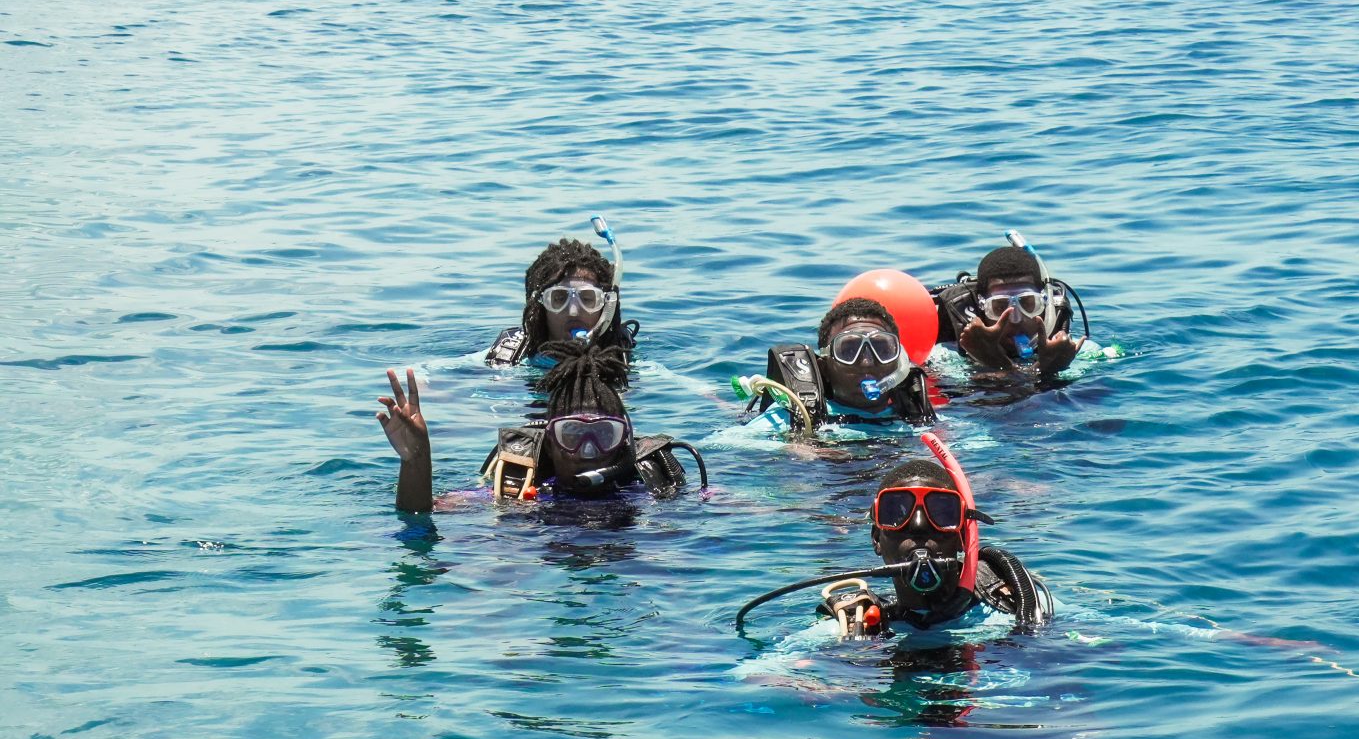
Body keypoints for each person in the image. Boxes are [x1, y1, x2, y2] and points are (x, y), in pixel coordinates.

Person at [731, 433, 1051, 640]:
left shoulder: (1022, 606)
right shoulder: (852, 630)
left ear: (966, 536)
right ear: (876, 539)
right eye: (896, 511)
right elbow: (758, 680)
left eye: (942, 511)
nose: (920, 525)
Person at [376, 342, 702, 514]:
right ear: (549, 442)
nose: (588, 451)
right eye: (571, 435)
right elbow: (422, 516)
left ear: (624, 442)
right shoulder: (520, 492)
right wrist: (417, 461)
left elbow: (726, 511)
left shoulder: (655, 487)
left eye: (604, 435)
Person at [736, 293, 936, 432]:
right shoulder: (789, 424)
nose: (867, 362)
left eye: (882, 349)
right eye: (848, 350)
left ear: (899, 362)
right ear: (824, 366)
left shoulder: (921, 422)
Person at [928, 233, 1089, 379]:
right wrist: (991, 360)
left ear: (1045, 302)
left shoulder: (1077, 353)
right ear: (982, 307)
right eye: (1000, 306)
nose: (1016, 319)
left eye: (1028, 303)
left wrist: (1054, 367)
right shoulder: (945, 357)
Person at [485, 231, 638, 368]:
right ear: (541, 305)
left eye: (587, 299)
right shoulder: (510, 358)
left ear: (607, 307)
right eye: (558, 298)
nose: (573, 312)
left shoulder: (622, 364)